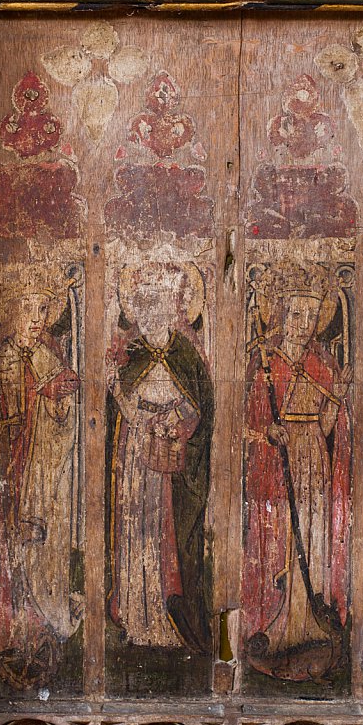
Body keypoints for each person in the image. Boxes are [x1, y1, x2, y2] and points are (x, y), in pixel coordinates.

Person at [242, 264, 352, 681]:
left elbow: (325, 426)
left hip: (311, 458)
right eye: (298, 314)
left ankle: (306, 622)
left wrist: (336, 400)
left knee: (309, 534)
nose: (304, 323)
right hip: (277, 459)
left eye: (312, 315)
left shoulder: (321, 363)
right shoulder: (265, 360)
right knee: (280, 538)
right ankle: (275, 621)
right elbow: (246, 423)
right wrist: (267, 432)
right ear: (283, 314)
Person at [0, 263, 81, 689]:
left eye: (43, 310)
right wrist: (36, 391)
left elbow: (65, 415)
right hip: (9, 467)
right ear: (11, 313)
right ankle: (8, 626)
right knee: (9, 544)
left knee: (38, 545)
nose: (37, 319)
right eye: (29, 309)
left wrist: (58, 400)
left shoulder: (48, 354)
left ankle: (41, 621)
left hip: (42, 470)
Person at [106, 264, 213, 654]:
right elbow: (123, 407)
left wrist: (176, 422)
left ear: (174, 308)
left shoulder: (185, 353)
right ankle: (137, 616)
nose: (152, 312)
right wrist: (120, 394)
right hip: (136, 451)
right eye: (144, 304)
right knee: (136, 528)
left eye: (160, 303)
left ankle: (168, 618)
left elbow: (201, 405)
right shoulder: (131, 353)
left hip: (170, 454)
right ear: (135, 309)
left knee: (164, 530)